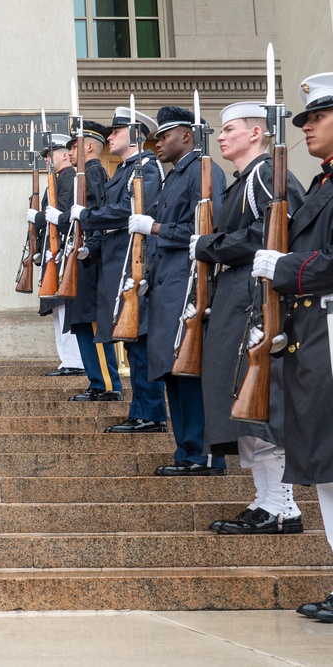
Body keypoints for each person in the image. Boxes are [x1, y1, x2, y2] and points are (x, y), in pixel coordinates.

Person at [194, 101, 306, 530]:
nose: (221, 137)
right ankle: (267, 500)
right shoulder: (246, 179)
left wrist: (209, 246)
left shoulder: (264, 173)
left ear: (257, 133)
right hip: (237, 298)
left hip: (252, 300)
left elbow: (275, 230)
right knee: (242, 405)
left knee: (259, 405)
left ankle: (281, 505)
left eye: (230, 129)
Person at [253, 73, 333, 624]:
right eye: (305, 119)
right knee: (327, 475)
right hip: (314, 344)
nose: (307, 126)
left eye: (318, 118)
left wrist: (283, 269)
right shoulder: (325, 185)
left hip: (331, 341)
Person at [129, 106, 227, 475]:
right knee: (173, 369)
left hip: (188, 281)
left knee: (189, 369)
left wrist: (155, 229)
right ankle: (186, 451)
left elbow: (209, 230)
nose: (157, 144)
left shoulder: (204, 171)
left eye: (165, 136)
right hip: (167, 282)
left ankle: (202, 453)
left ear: (186, 135)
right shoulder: (175, 176)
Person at [71, 105, 169, 433]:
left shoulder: (147, 167)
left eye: (117, 130)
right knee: (132, 342)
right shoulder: (125, 170)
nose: (110, 135)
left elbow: (128, 210)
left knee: (140, 343)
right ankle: (141, 410)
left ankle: (151, 413)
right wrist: (90, 248)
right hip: (119, 266)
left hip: (135, 267)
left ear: (136, 135)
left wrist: (86, 217)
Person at [54, 121, 124, 401]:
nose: (70, 151)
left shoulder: (92, 172)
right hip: (81, 256)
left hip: (90, 259)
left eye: (74, 146)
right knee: (81, 321)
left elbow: (97, 214)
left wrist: (90, 247)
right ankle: (97, 381)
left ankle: (107, 383)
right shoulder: (83, 173)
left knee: (91, 321)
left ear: (90, 146)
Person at [30, 133, 85, 377]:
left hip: (62, 251)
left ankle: (74, 361)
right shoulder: (58, 178)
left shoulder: (69, 177)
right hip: (53, 252)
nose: (46, 159)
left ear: (65, 154)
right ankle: (67, 359)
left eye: (50, 154)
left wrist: (39, 218)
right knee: (57, 308)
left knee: (64, 307)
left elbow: (62, 214)